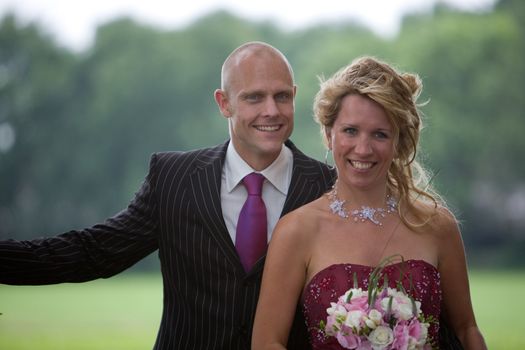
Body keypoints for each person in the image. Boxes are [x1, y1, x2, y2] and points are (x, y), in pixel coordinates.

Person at [0, 41, 335, 350]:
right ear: (224, 103)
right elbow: (94, 251)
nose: (271, 110)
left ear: (294, 95)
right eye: (253, 97)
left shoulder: (328, 187)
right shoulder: (173, 178)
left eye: (281, 96)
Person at [252, 57, 487, 349]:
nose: (363, 149)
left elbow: (467, 330)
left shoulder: (438, 226)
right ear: (329, 135)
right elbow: (267, 342)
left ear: (398, 142)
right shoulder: (296, 231)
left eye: (380, 134)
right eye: (350, 131)